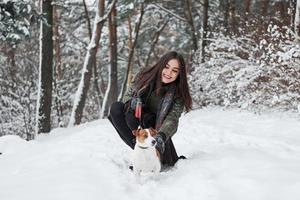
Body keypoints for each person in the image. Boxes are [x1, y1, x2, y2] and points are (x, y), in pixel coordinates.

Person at [108, 51, 192, 168]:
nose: (168, 73)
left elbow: (172, 120)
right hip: (138, 123)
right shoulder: (144, 75)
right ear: (161, 64)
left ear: (179, 74)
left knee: (149, 118)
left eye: (174, 70)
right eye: (166, 67)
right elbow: (128, 94)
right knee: (116, 108)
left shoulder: (178, 94)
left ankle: (156, 155)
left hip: (156, 131)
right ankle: (141, 151)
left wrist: (161, 136)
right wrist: (131, 102)